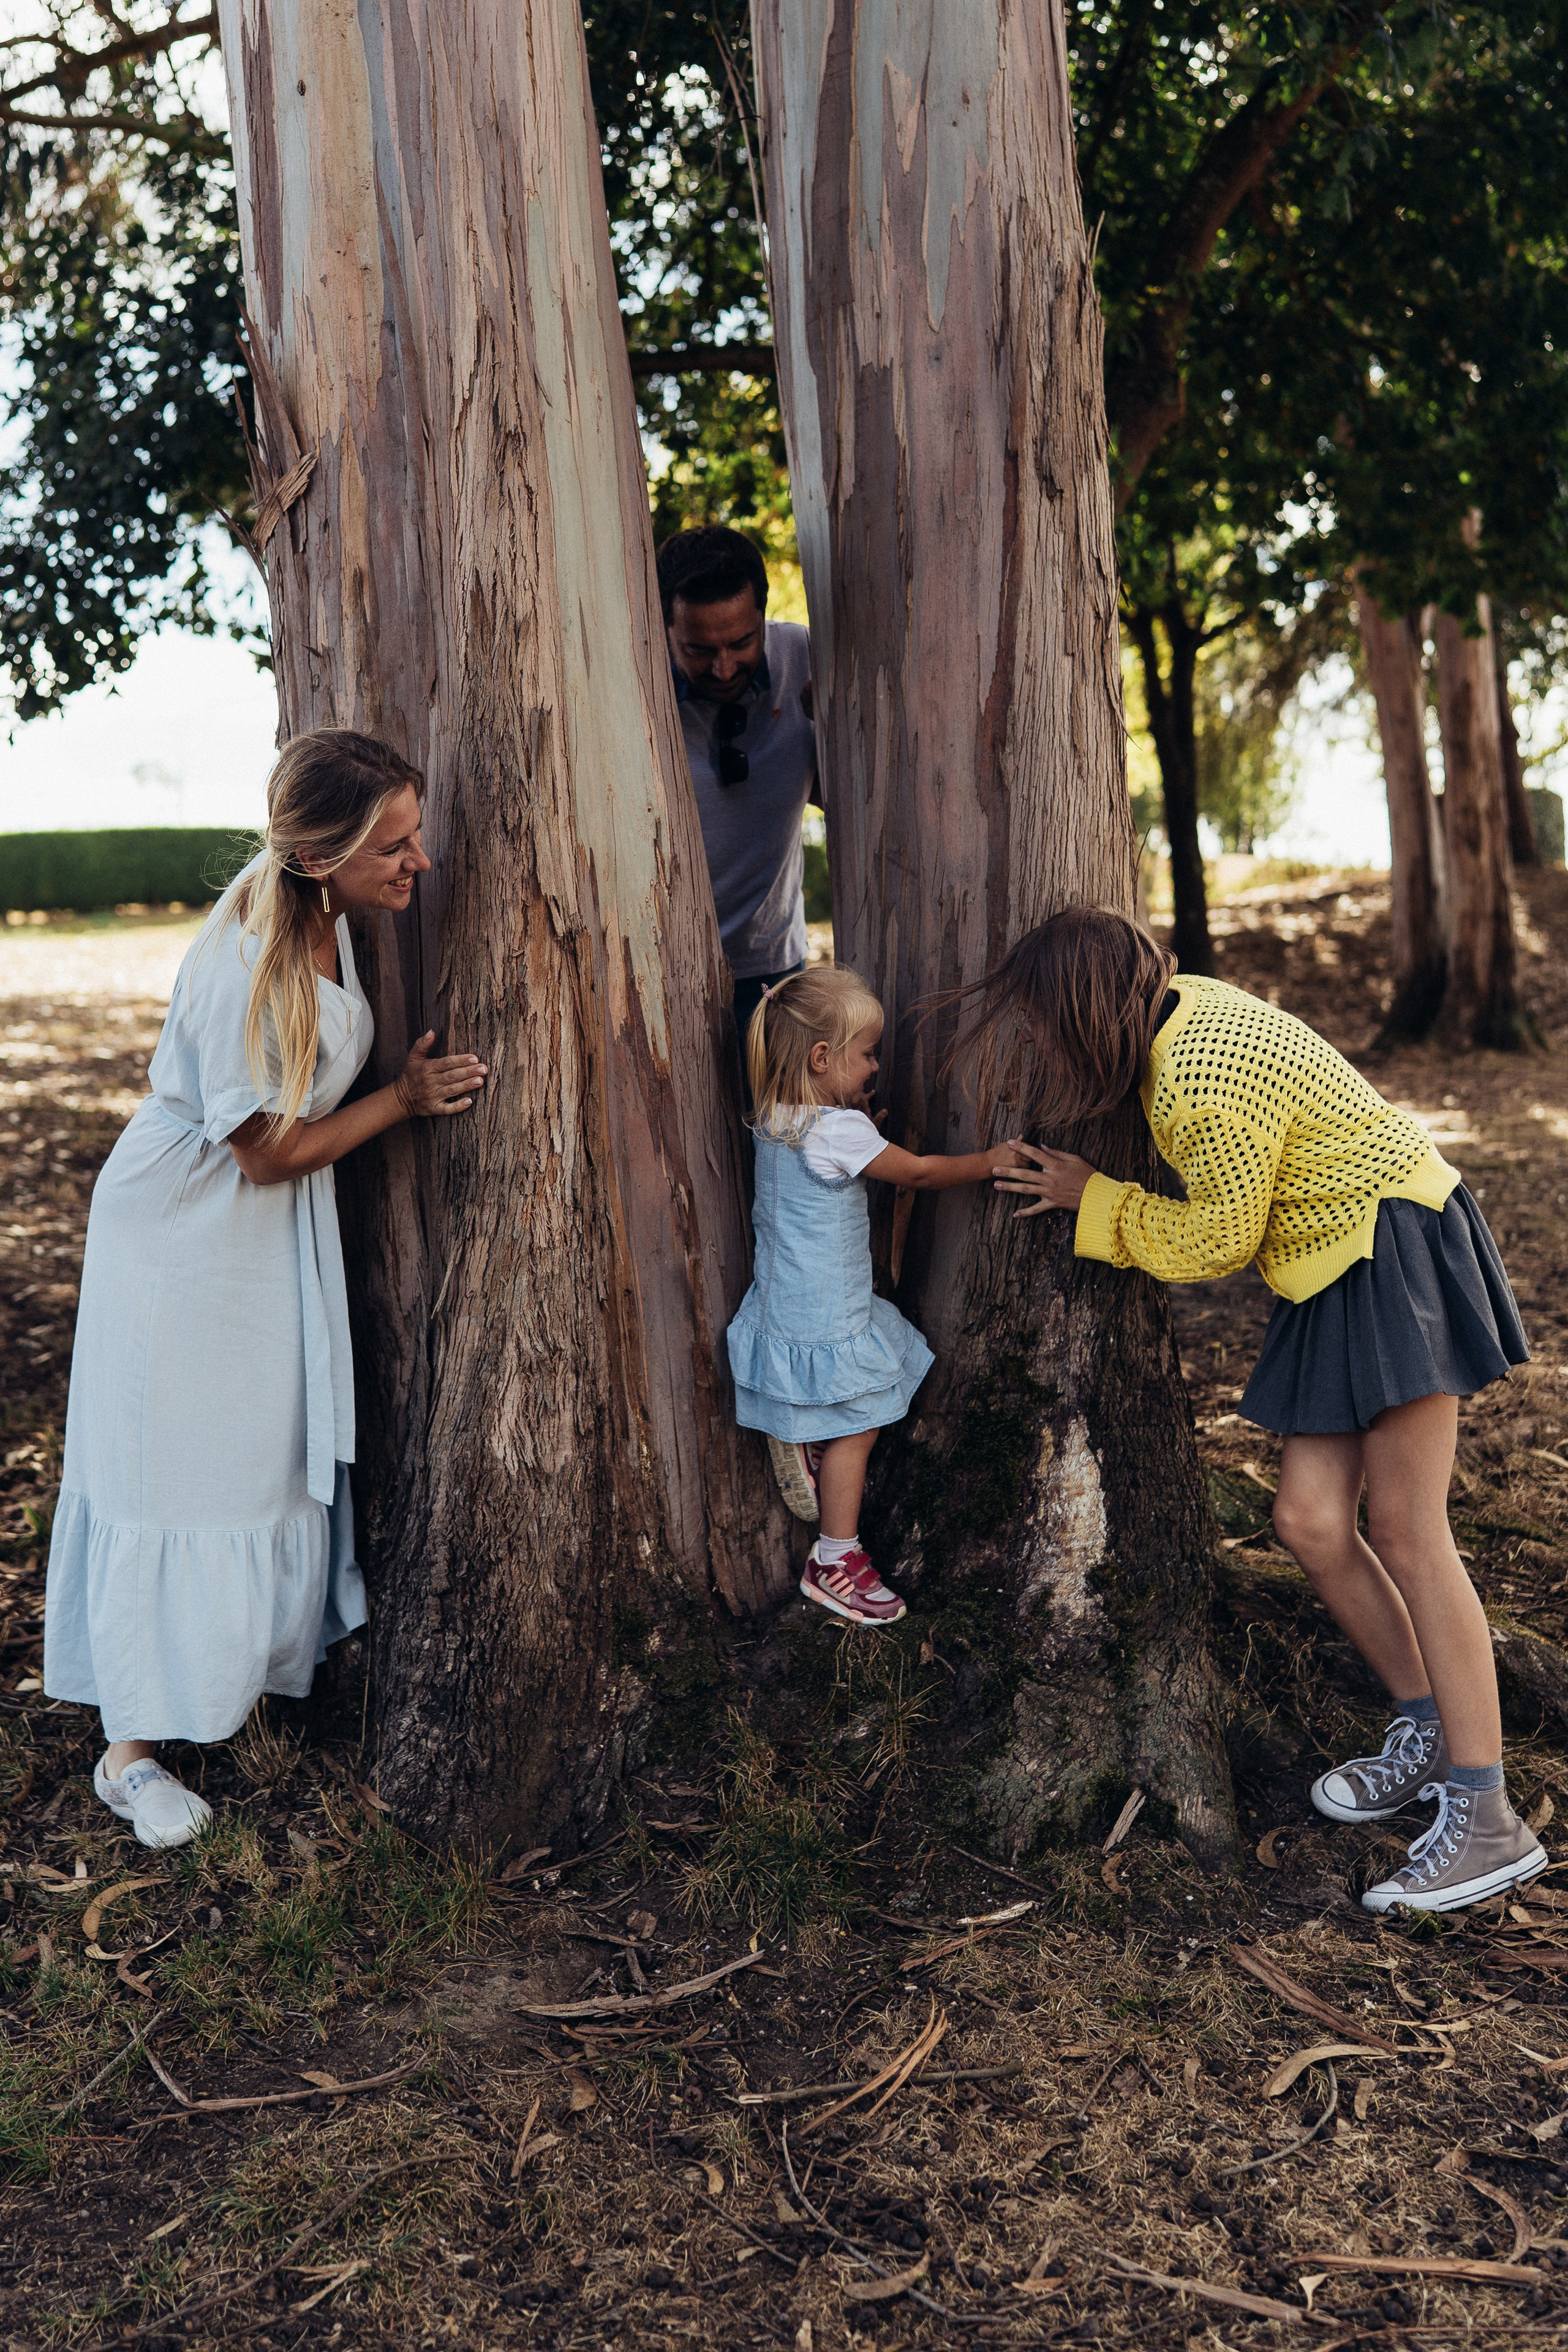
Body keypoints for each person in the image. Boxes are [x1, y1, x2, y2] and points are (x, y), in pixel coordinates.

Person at [968, 904, 1543, 1915]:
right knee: (1310, 1523)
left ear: (1082, 1014)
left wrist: (1097, 1198)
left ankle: (1489, 1818)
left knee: (1410, 1532)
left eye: (1044, 1029)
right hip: (1331, 1265)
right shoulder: (1181, 1015)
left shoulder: (1197, 1077)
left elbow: (1217, 1243)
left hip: (1391, 1244)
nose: (1042, 1052)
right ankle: (1425, 1727)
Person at [43, 729, 487, 1847]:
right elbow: (263, 1153)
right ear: (321, 855)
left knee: (251, 1453)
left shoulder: (322, 912)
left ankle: (234, 1674)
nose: (419, 861)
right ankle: (129, 1754)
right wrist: (402, 1100)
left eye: (414, 834)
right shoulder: (250, 958)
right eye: (394, 846)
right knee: (173, 1465)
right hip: (187, 1231)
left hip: (257, 1237)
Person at [728, 964, 1022, 1625]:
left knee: (854, 1402)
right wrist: (989, 1161)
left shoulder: (776, 1117)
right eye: (865, 1053)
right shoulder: (841, 1132)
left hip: (785, 1302)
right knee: (860, 1423)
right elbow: (917, 1172)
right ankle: (834, 1559)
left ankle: (807, 1430)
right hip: (830, 1314)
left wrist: (857, 1126)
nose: (875, 1066)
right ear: (822, 1058)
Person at [657, 525, 818, 1035]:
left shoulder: (804, 658)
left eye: (742, 643)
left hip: (773, 970)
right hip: (657, 973)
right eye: (699, 650)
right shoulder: (631, 680)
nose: (724, 668)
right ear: (663, 628)